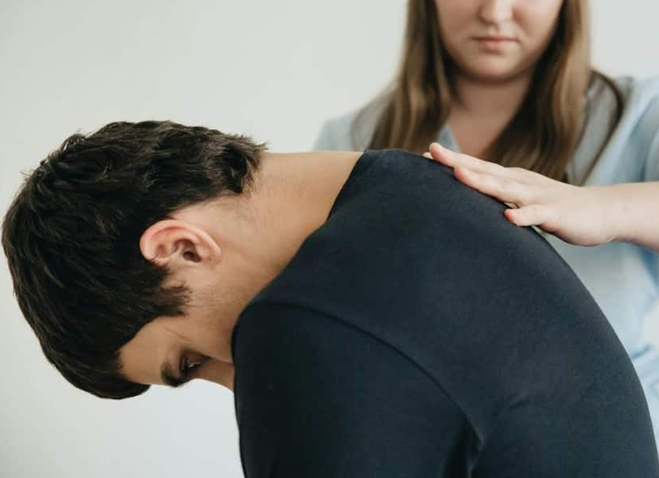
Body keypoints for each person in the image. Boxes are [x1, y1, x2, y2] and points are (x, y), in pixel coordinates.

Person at [3, 120, 658, 476]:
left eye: (190, 362)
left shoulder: (305, 324)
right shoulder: (420, 189)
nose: (232, 382)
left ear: (181, 248)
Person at [314, 0, 659, 439]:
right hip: (419, 445)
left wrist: (602, 208)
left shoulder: (641, 114)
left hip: (613, 442)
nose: (495, 12)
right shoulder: (350, 139)